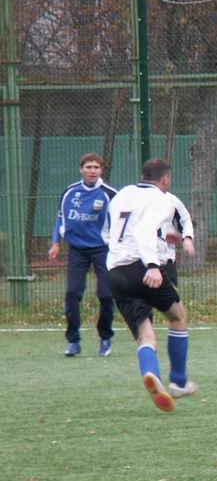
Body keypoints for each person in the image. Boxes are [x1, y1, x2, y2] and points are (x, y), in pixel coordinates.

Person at [105, 158, 198, 412]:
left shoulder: (123, 194)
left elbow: (117, 230)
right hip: (141, 267)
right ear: (165, 179)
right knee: (178, 316)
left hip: (115, 272)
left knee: (145, 335)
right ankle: (178, 381)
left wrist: (164, 237)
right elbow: (143, 231)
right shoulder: (160, 199)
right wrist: (153, 265)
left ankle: (151, 373)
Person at [49, 153, 118, 357]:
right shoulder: (70, 192)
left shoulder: (110, 194)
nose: (92, 171)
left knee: (106, 295)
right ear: (81, 169)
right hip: (77, 251)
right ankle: (73, 342)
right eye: (88, 167)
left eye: (96, 167)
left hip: (103, 249)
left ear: (101, 170)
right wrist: (55, 243)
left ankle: (105, 338)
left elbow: (122, 221)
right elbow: (60, 219)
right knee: (72, 294)